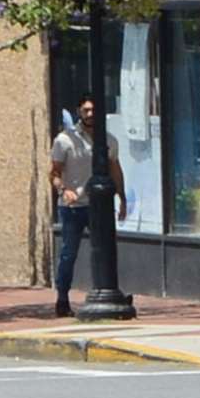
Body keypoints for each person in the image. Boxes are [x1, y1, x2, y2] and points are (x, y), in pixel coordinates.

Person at [48, 96, 122, 311]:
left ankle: (107, 292)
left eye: (94, 110)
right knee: (69, 252)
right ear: (79, 112)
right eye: (86, 110)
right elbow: (53, 173)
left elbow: (115, 169)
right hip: (72, 207)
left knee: (105, 249)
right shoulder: (64, 140)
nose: (90, 114)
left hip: (99, 205)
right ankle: (62, 298)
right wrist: (64, 190)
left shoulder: (108, 139)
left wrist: (122, 196)